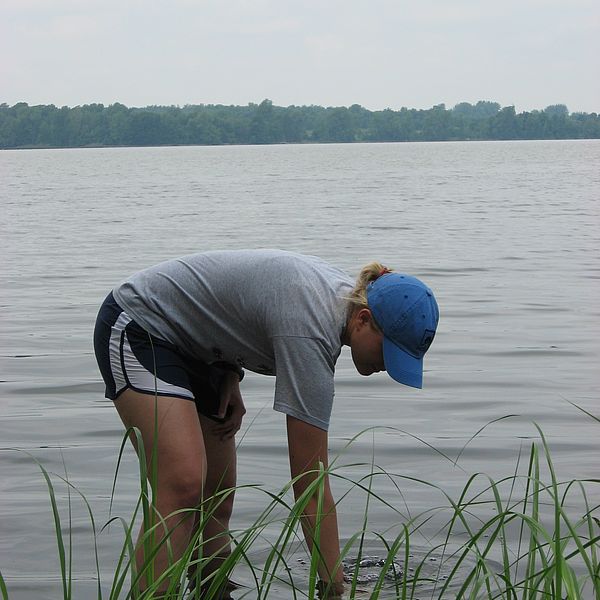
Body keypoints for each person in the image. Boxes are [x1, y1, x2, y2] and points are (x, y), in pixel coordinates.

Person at [93, 249, 439, 599]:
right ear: (363, 319)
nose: (388, 366)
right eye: (389, 351)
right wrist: (335, 589)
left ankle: (214, 592)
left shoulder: (344, 302)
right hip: (141, 325)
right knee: (183, 484)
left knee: (217, 498)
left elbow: (240, 305)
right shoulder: (312, 331)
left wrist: (229, 372)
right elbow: (310, 486)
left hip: (202, 351)